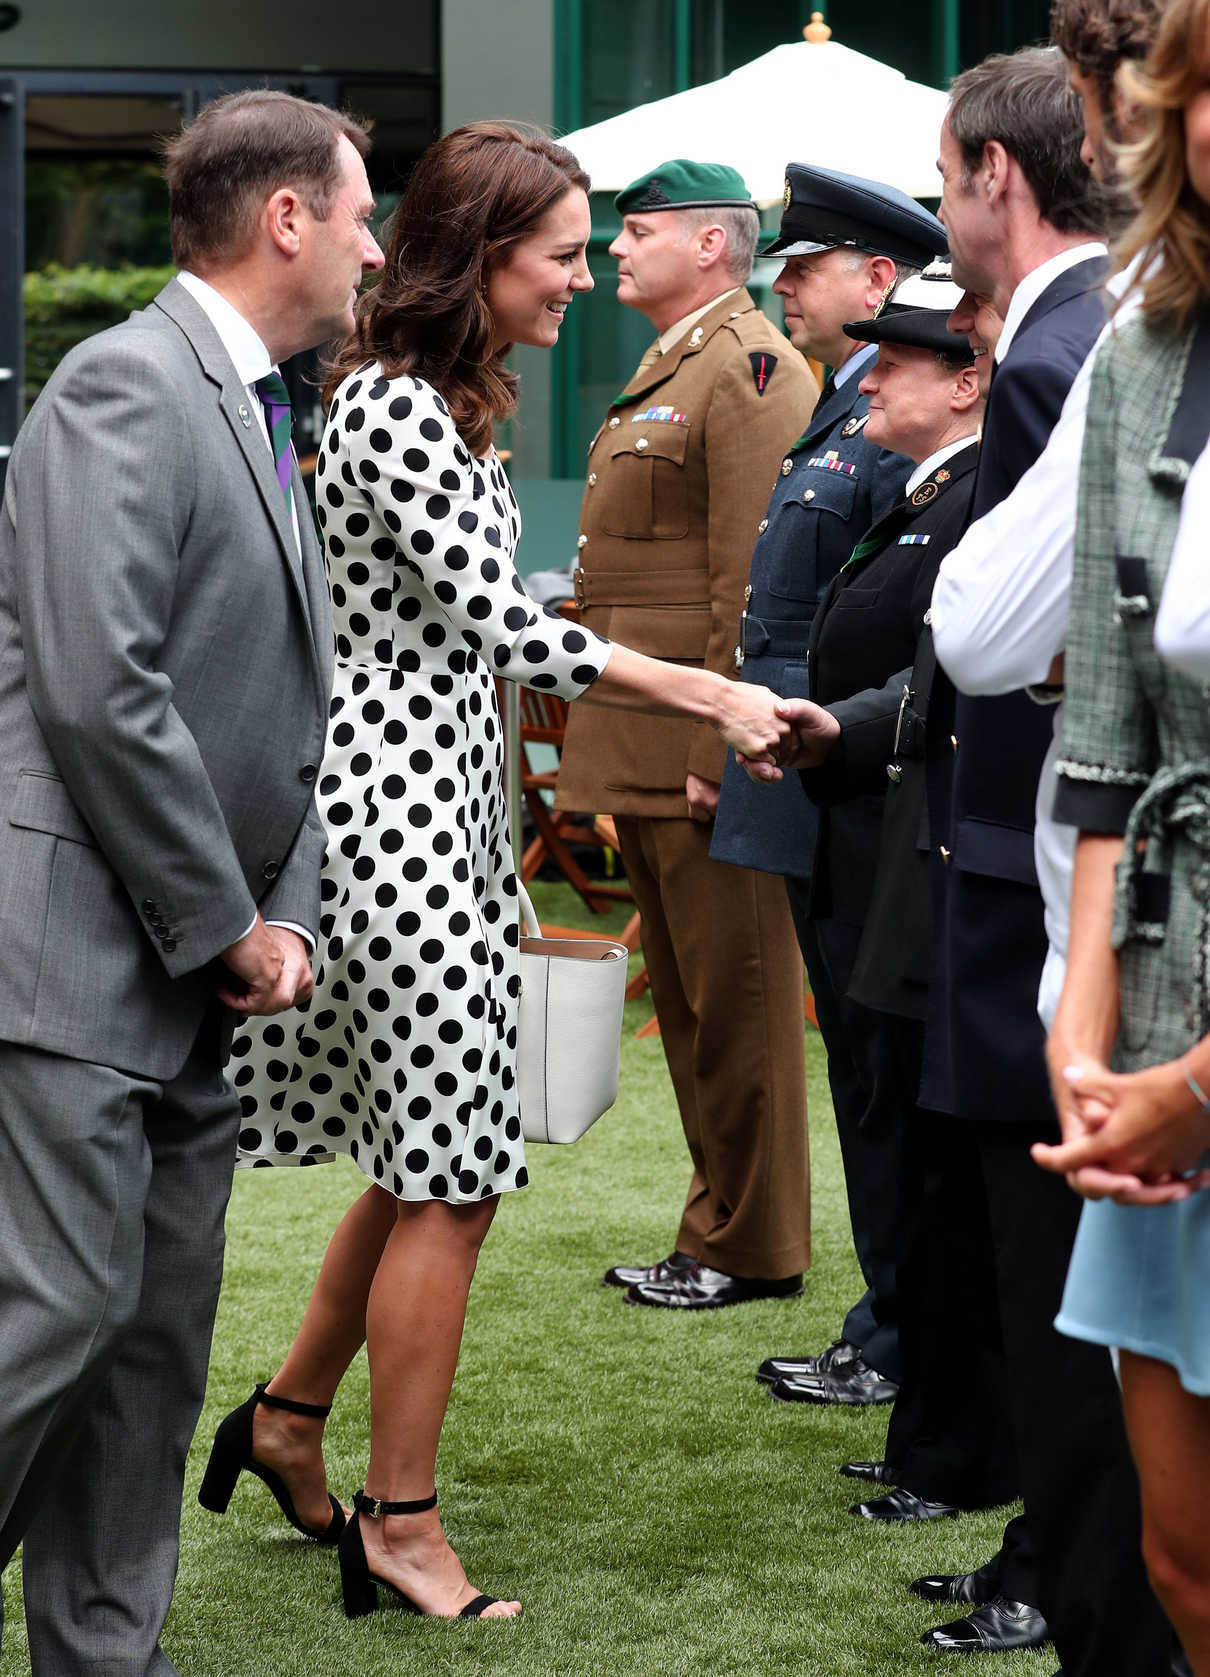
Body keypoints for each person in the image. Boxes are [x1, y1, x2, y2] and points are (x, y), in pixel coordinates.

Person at [204, 123, 792, 1622]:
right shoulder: (399, 405)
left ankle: (287, 1416)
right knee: (455, 1182)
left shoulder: (419, 400)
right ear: (479, 259)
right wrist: (713, 695)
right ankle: (399, 1525)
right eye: (559, 253)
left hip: (428, 821)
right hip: (396, 831)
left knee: (428, 1167)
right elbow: (512, 633)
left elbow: (482, 617)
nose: (583, 277)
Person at [0, 89, 382, 1675]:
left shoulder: (262, 397)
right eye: (362, 210)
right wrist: (227, 919)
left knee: (147, 1358)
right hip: (79, 961)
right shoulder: (123, 385)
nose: (377, 242)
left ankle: (108, 1656)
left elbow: (282, 707)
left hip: (190, 976)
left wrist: (279, 911)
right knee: (52, 1322)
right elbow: (105, 687)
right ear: (283, 216)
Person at [899, 42, 1176, 1677]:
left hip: (1064, 887)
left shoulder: (1077, 344)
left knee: (1085, 1326)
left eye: (946, 180)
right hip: (1065, 871)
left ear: (1004, 173)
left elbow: (988, 632)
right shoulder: (1101, 336)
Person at [554, 159, 820, 1311]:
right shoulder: (678, 361)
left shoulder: (751, 367)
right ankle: (712, 1224)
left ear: (710, 245)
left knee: (739, 1003)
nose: (614, 249)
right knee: (690, 1001)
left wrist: (727, 748)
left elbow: (750, 584)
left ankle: (752, 1244)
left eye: (636, 230)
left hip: (702, 742)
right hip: (646, 739)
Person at [708, 165, 948, 1403]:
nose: (785, 289)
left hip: (853, 769)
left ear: (878, 276)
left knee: (879, 1075)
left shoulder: (899, 409)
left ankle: (899, 1330)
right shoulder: (842, 402)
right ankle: (885, 1316)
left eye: (803, 269)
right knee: (860, 1075)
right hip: (805, 763)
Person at [1035, 4, 1210, 1669]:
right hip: (1158, 1012)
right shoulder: (1145, 354)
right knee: (1184, 1556)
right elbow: (1106, 742)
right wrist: (1086, 1036)